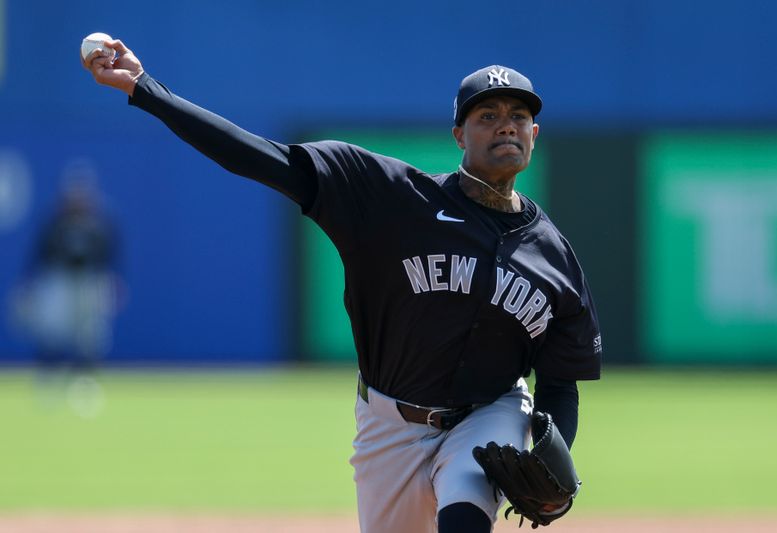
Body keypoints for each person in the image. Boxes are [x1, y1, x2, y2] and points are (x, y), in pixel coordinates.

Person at [82, 39, 602, 533]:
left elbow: (559, 382)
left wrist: (553, 457)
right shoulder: (391, 199)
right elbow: (260, 157)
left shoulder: (554, 256)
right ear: (459, 135)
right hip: (389, 425)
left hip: (489, 414)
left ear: (534, 133)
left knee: (466, 508)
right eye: (487, 116)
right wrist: (146, 90)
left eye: (518, 116)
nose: (505, 126)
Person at [11, 164, 122, 415]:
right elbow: (39, 252)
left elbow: (111, 253)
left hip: (90, 279)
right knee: (53, 330)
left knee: (90, 335)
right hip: (58, 279)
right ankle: (47, 378)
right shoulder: (56, 221)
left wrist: (114, 279)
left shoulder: (99, 222)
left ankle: (85, 384)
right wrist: (30, 282)